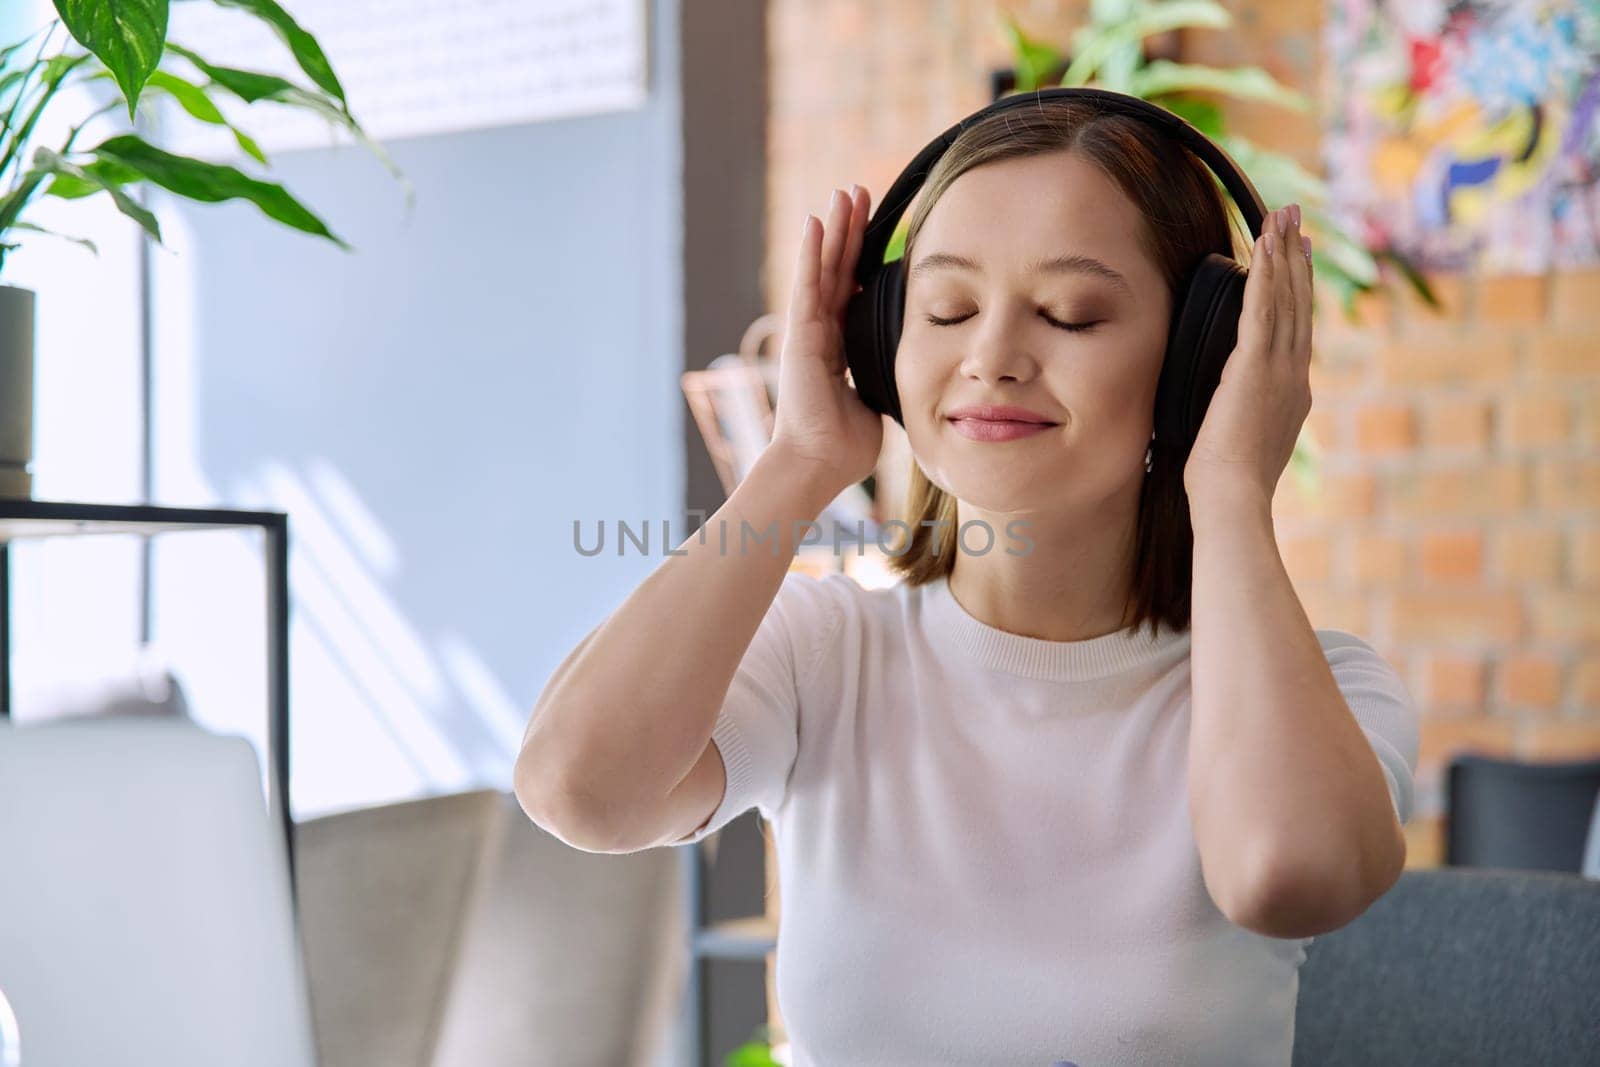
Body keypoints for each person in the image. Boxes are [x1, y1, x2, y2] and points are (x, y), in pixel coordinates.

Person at [514, 95, 1420, 1066]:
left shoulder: (1321, 691)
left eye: (1070, 313)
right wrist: (800, 460)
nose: (989, 357)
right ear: (885, 339)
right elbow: (580, 790)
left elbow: (1290, 874)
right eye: (947, 308)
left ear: (1196, 362)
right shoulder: (825, 650)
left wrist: (1232, 483)